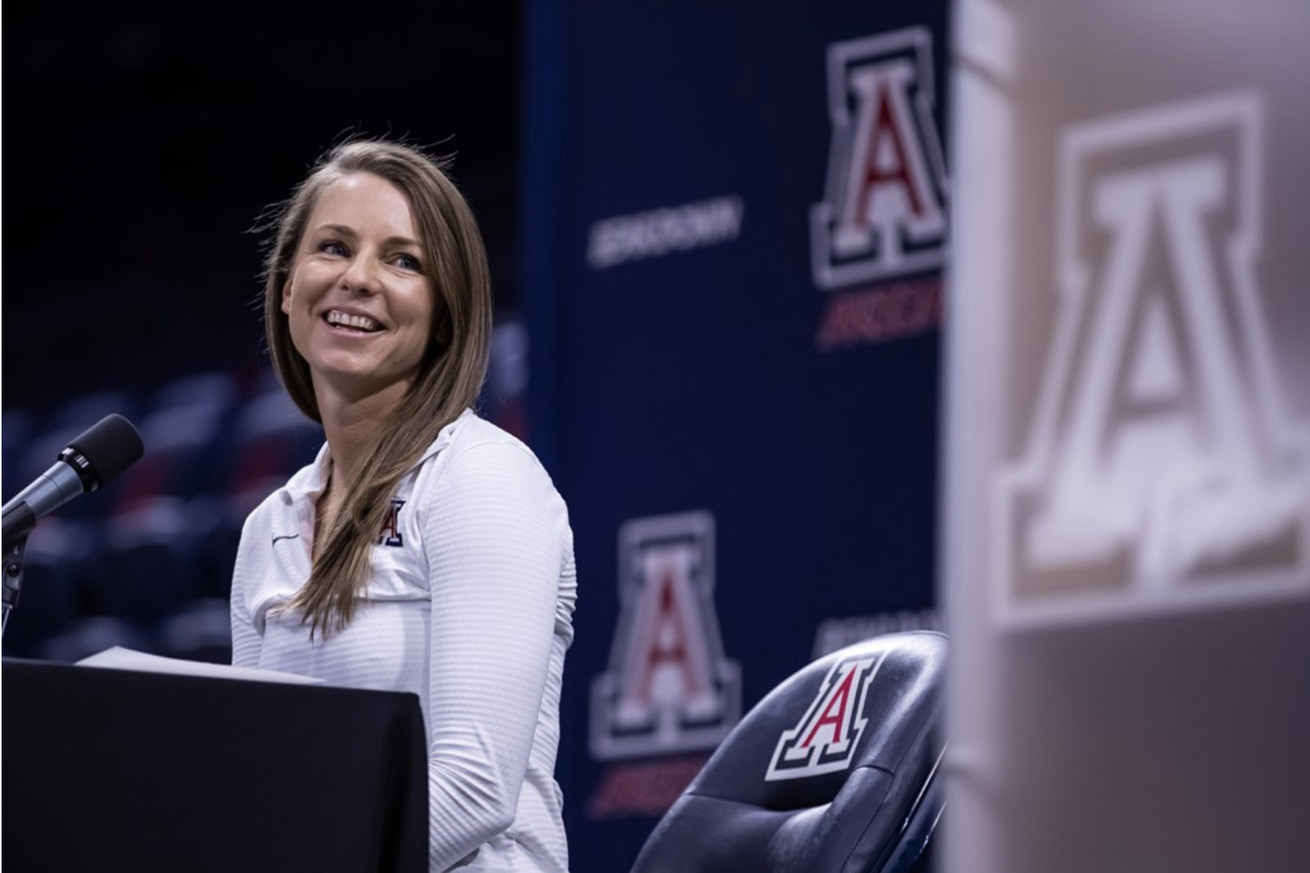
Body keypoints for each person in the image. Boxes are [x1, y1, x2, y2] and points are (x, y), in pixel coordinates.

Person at [229, 138, 577, 873]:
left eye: (402, 260)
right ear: (288, 284)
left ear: (445, 314)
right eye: (333, 247)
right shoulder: (268, 528)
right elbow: (254, 773)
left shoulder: (484, 480)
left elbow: (476, 785)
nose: (358, 279)